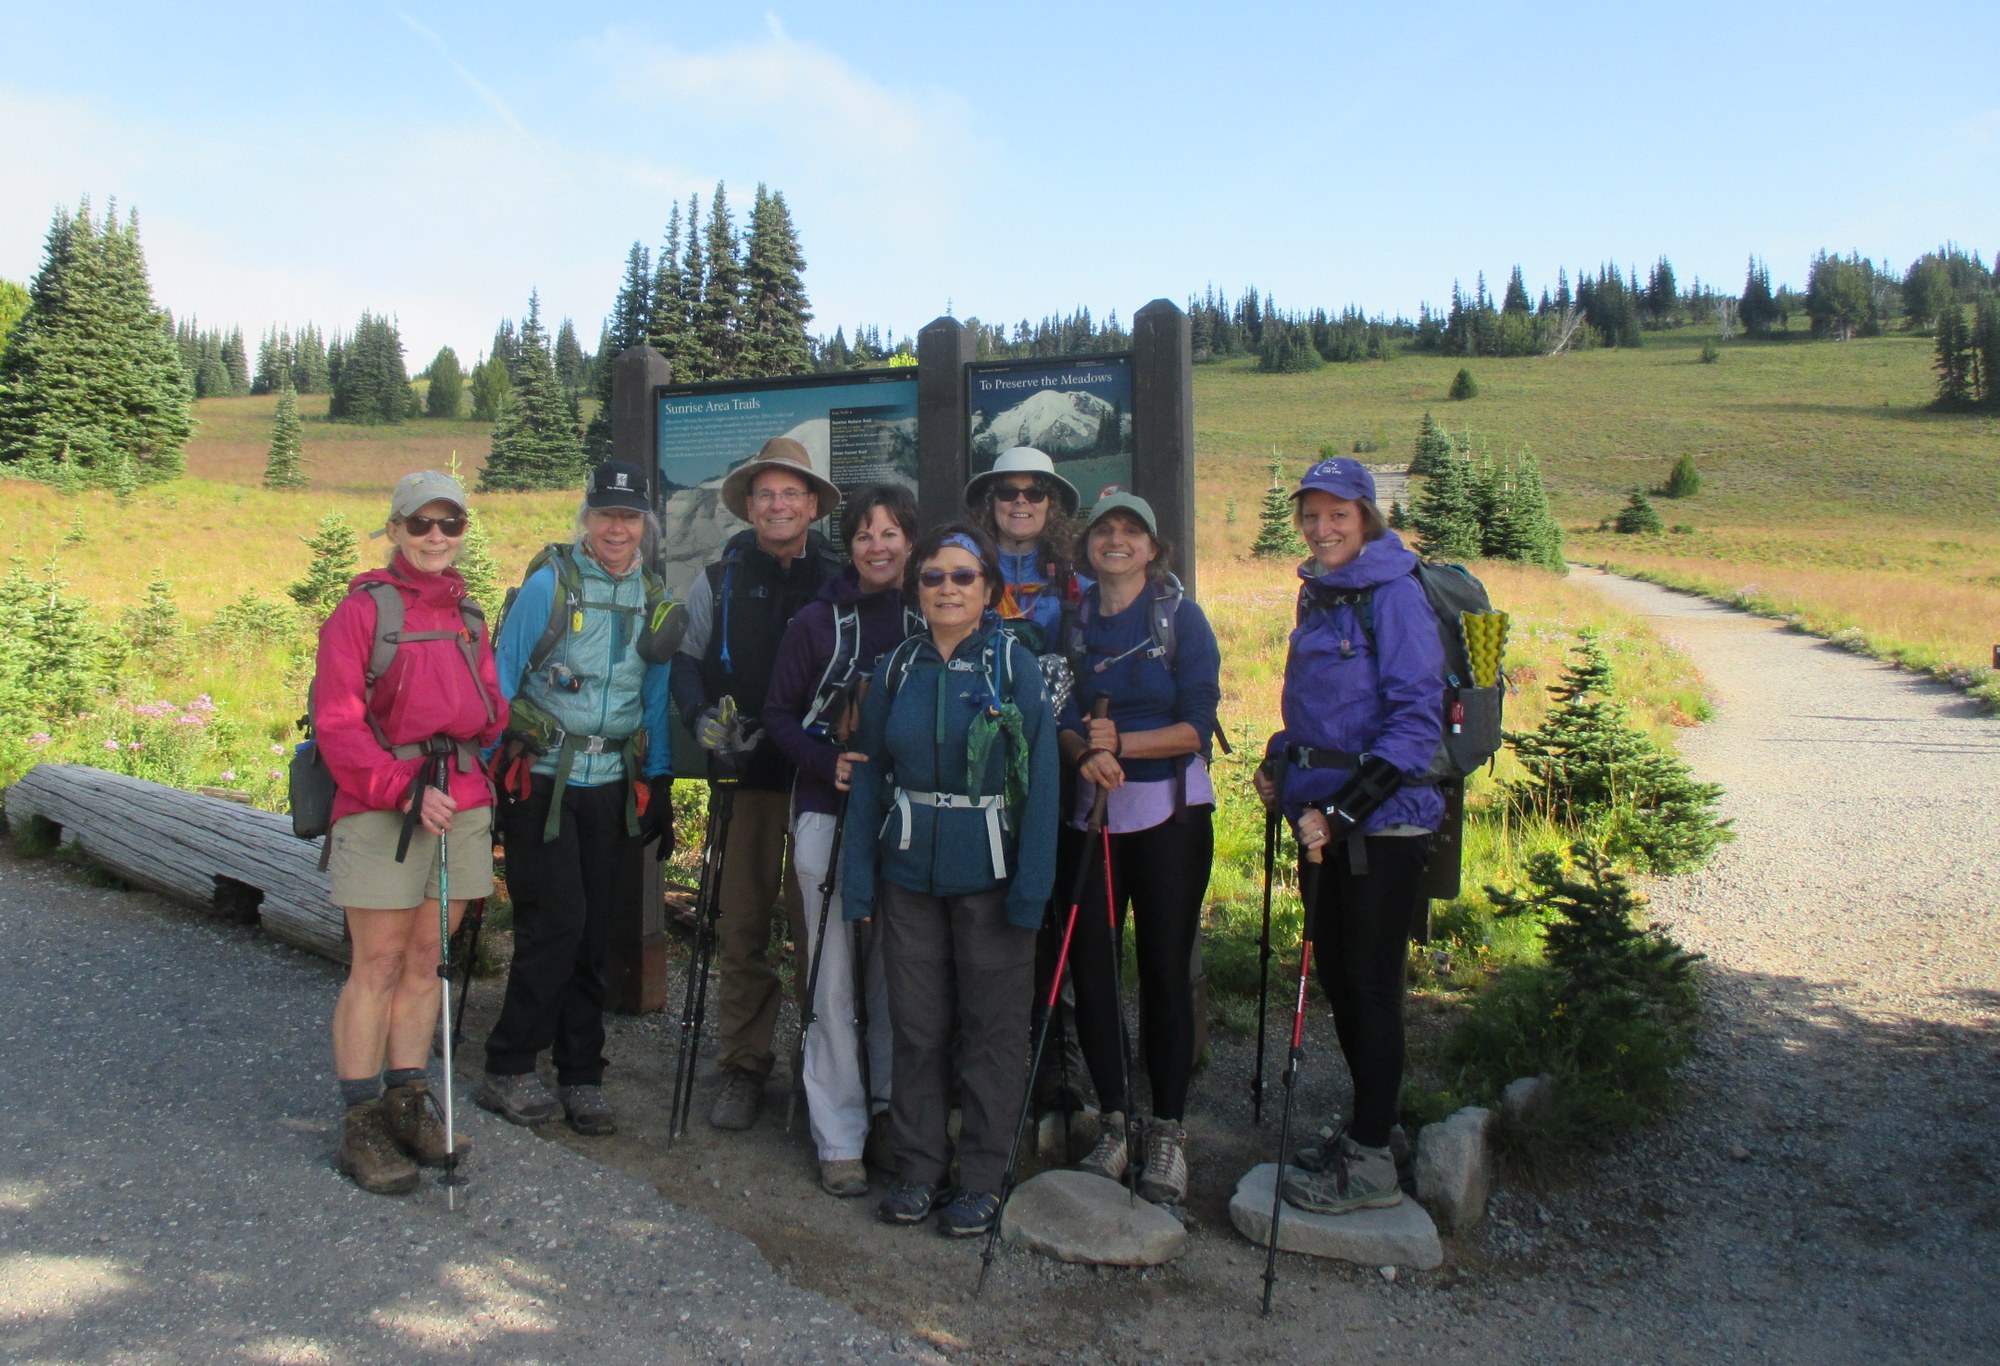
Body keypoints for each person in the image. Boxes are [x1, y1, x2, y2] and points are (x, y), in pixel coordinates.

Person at [839, 523, 1058, 1236]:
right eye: (933, 576)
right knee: (916, 1027)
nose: (948, 589)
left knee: (993, 1032)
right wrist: (858, 882)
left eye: (964, 576)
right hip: (907, 876)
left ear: (989, 589)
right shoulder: (896, 668)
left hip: (993, 878)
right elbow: (869, 775)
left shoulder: (1013, 665)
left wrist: (1032, 890)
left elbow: (1044, 783)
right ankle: (919, 1168)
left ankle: (985, 1175)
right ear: (916, 588)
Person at [1252, 456, 1444, 1215]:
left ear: (1367, 518)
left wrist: (1339, 815)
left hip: (1381, 829)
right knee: (1342, 977)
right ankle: (1373, 1133)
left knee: (1368, 985)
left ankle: (1369, 1163)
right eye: (1311, 515)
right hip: (1325, 824)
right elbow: (1324, 710)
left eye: (1338, 514)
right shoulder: (1325, 593)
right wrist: (1283, 762)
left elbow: (1416, 725)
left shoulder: (1393, 595)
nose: (1321, 528)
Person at [476, 460, 678, 1137]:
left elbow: (654, 695)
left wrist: (660, 781)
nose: (617, 528)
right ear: (586, 518)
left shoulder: (653, 596)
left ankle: (582, 1075)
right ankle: (509, 1064)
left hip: (612, 785)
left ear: (645, 524)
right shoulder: (551, 585)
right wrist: (485, 776)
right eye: (605, 514)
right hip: (540, 781)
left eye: (629, 517)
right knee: (555, 924)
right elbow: (502, 678)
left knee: (595, 932)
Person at [319, 470, 507, 1196]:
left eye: (449, 524)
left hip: (459, 800)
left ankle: (408, 1099)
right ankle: (361, 1119)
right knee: (379, 961)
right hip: (382, 805)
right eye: (421, 523)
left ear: (463, 532)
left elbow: (489, 711)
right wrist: (402, 787)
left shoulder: (469, 615)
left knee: (429, 958)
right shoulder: (361, 612)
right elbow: (338, 726)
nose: (436, 537)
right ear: (394, 529)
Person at [671, 436, 845, 1131]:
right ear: (749, 505)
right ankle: (743, 1066)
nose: (778, 505)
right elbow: (685, 661)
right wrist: (699, 717)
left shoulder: (838, 579)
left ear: (812, 505)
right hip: (744, 776)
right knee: (740, 925)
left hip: (819, 781)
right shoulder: (720, 579)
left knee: (818, 931)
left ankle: (819, 1068)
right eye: (766, 494)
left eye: (791, 493)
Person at [1053, 494, 1222, 1206]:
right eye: (1104, 531)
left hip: (1168, 816)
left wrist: (1119, 743)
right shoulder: (1075, 620)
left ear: (1154, 548)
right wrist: (1083, 754)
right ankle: (1117, 1123)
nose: (1116, 541)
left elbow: (1197, 726)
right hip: (1091, 816)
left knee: (1163, 970)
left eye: (1131, 532)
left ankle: (1169, 1130)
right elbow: (1061, 712)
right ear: (1087, 545)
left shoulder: (1180, 619)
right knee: (1093, 971)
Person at [763, 484, 919, 1197]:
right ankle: (838, 1133)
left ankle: (891, 1113)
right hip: (828, 810)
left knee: (898, 971)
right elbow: (778, 713)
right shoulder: (816, 622)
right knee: (831, 974)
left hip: (908, 818)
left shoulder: (930, 616)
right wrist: (828, 763)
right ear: (848, 544)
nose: (877, 547)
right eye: (863, 534)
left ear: (910, 542)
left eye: (889, 534)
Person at [964, 446, 1094, 1115]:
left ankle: (1052, 1060)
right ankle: (978, 1058)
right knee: (978, 902)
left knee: (1049, 906)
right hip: (977, 762)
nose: (1020, 503)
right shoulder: (968, 567)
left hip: (1056, 765)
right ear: (990, 502)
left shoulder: (1075, 579)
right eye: (1008, 492)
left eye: (1034, 492)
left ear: (1053, 505)